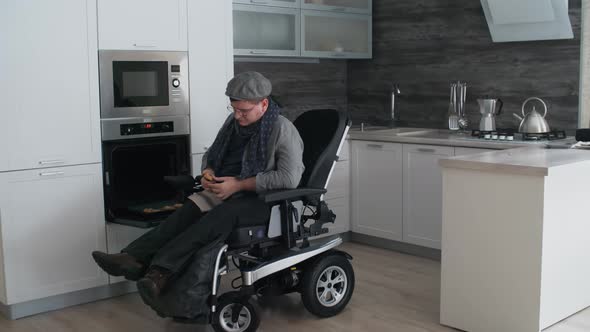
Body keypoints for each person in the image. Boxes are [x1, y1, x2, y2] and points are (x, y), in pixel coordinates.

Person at [92, 71, 305, 302]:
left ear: (264, 104)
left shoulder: (282, 129)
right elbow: (211, 155)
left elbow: (289, 178)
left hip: (264, 201)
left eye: (243, 111)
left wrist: (239, 184)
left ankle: (160, 273)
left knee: (219, 216)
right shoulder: (232, 125)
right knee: (187, 212)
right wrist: (208, 172)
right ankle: (131, 258)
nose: (237, 116)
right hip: (227, 190)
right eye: (233, 109)